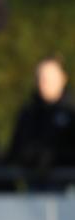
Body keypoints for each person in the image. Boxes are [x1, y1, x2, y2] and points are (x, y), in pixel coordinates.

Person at [7, 56, 75, 190]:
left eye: (49, 79)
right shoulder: (29, 113)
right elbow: (15, 150)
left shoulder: (71, 112)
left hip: (67, 188)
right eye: (41, 78)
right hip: (34, 188)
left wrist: (52, 158)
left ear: (63, 78)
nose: (44, 83)